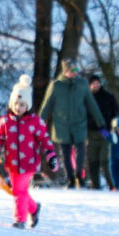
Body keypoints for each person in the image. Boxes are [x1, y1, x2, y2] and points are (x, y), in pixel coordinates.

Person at [0, 74, 59, 229]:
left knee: (19, 191)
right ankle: (33, 208)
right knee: (19, 191)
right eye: (16, 103)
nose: (18, 108)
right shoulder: (5, 122)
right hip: (12, 163)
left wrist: (51, 155)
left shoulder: (35, 122)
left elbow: (45, 140)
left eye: (22, 105)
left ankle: (20, 220)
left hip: (29, 163)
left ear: (28, 106)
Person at [38, 59, 105, 188]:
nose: (75, 73)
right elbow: (47, 105)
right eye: (72, 70)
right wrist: (39, 122)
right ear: (66, 71)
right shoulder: (56, 85)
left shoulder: (83, 85)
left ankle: (79, 175)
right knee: (66, 153)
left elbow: (92, 104)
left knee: (81, 149)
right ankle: (70, 178)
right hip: (61, 125)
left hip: (79, 123)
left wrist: (100, 122)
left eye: (76, 70)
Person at [86, 73, 119, 189]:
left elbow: (116, 112)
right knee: (92, 160)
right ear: (90, 85)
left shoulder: (108, 97)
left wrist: (114, 128)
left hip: (105, 132)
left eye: (97, 83)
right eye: (93, 83)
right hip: (90, 132)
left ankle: (112, 185)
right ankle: (95, 184)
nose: (96, 85)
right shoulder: (86, 98)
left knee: (104, 160)